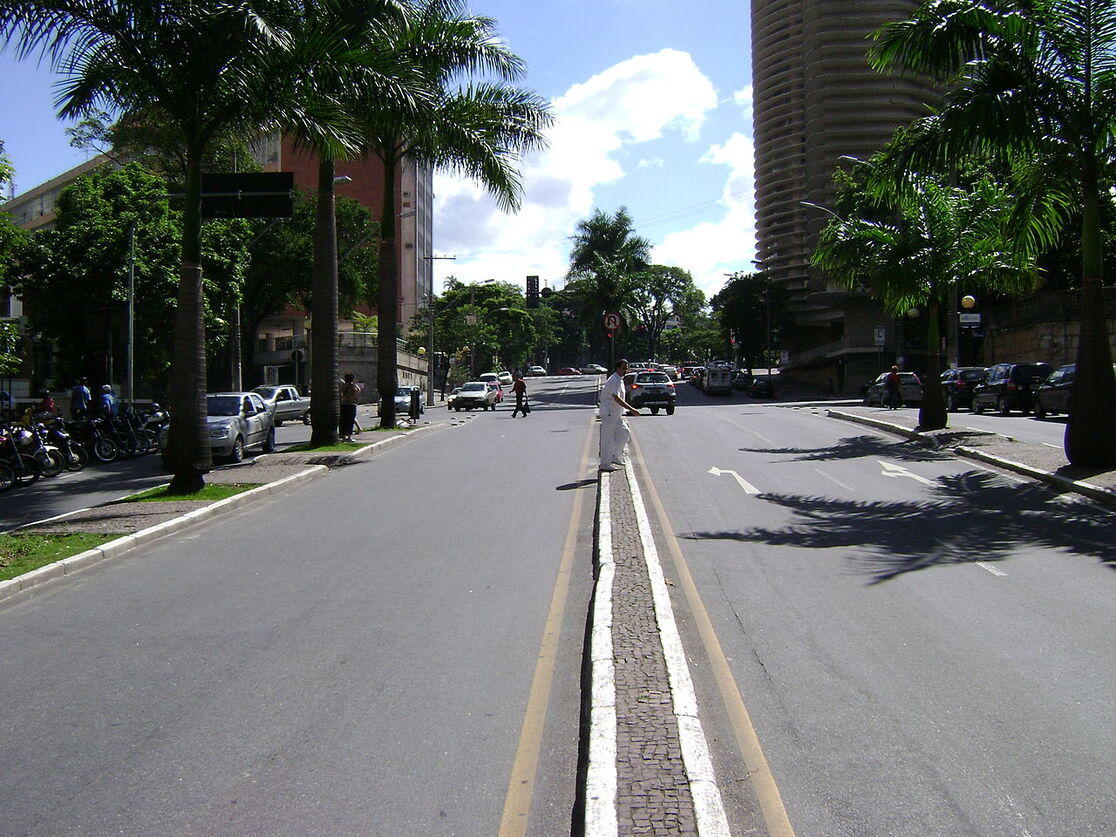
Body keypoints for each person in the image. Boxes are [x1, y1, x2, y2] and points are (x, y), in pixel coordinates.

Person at [599, 358, 639, 471]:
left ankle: (615, 455)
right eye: (623, 368)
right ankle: (605, 463)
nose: (625, 370)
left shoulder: (619, 379)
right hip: (609, 412)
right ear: (617, 368)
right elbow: (615, 397)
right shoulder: (614, 380)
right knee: (608, 437)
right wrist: (631, 409)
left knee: (625, 432)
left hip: (616, 413)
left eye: (626, 368)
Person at [338, 372, 361, 441]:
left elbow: (340, 392)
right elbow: (358, 390)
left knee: (343, 420)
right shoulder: (353, 385)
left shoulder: (344, 385)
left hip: (343, 404)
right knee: (350, 420)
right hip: (351, 404)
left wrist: (343, 398)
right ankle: (349, 436)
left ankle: (343, 436)